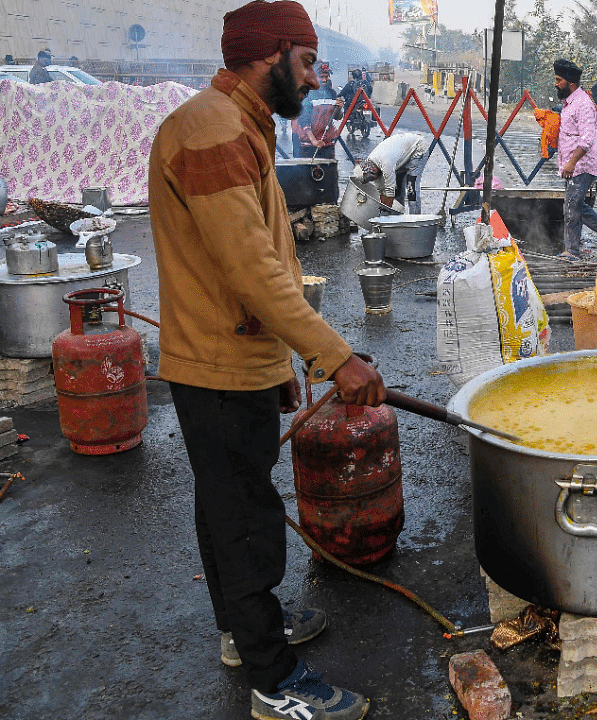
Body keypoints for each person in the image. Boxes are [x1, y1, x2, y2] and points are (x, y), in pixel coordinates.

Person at [147, 2, 382, 719]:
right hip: (216, 366)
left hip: (236, 359)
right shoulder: (213, 130)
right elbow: (254, 270)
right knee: (243, 516)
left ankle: (243, 631)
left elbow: (255, 261)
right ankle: (274, 681)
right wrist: (334, 358)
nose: (316, 78)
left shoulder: (238, 124)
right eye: (306, 62)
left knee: (229, 504)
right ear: (269, 53)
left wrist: (282, 361)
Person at [553, 58, 597, 260]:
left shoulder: (583, 104)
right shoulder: (569, 102)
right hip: (573, 164)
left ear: (571, 83)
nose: (555, 84)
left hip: (581, 166)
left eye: (558, 80)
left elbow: (588, 138)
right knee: (576, 204)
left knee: (571, 208)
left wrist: (571, 163)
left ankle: (571, 252)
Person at [354, 132, 430, 210]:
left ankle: (415, 219)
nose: (374, 180)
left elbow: (390, 192)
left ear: (374, 173)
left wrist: (385, 214)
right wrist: (383, 208)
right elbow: (382, 191)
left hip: (417, 148)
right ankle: (399, 216)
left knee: (411, 189)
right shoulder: (371, 165)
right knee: (398, 191)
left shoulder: (386, 164)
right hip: (400, 154)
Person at [297, 62, 340, 158]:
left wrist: (339, 107)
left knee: (328, 171)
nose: (324, 80)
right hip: (309, 145)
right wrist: (314, 141)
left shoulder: (332, 93)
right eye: (321, 77)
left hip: (328, 144)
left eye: (326, 76)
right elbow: (304, 119)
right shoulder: (307, 93)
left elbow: (337, 117)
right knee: (309, 172)